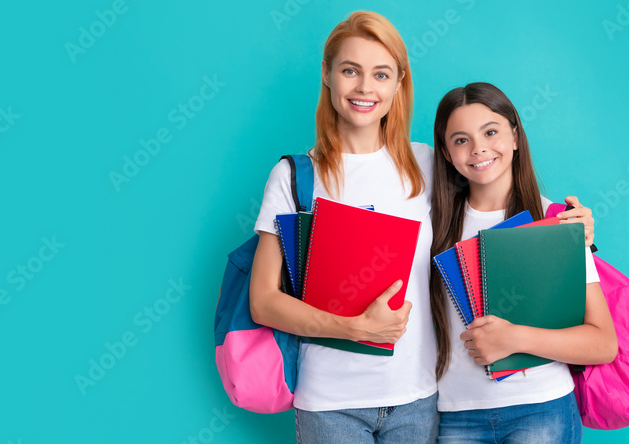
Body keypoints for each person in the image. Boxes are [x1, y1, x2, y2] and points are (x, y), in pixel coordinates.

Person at [247, 12, 594, 444]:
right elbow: (262, 302)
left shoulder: (427, 165)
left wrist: (574, 223)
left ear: (398, 84)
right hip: (329, 401)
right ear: (327, 75)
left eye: (381, 73)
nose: (364, 88)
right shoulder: (296, 177)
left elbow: (499, 198)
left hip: (419, 401)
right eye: (350, 70)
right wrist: (354, 329)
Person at [428, 82, 616, 443]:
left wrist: (513, 338)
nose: (479, 148)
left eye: (491, 131)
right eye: (461, 139)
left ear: (515, 136)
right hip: (455, 415)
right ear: (446, 153)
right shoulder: (434, 224)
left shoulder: (556, 220)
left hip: (541, 408)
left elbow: (603, 343)